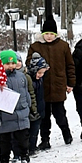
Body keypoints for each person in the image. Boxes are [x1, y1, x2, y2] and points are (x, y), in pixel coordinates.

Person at [25, 16, 75, 150]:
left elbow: (70, 65)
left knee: (60, 114)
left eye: (51, 34)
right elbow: (29, 64)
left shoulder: (63, 46)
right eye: (46, 34)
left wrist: (70, 83)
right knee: (43, 116)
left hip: (58, 85)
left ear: (55, 34)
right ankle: (45, 140)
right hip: (42, 87)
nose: (48, 37)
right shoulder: (35, 47)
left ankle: (66, 133)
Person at [0, 51, 32, 163]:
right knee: (5, 141)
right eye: (7, 63)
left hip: (21, 113)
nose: (10, 66)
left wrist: (28, 105)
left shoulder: (22, 77)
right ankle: (4, 160)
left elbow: (26, 92)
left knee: (23, 138)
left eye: (13, 63)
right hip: (5, 115)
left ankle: (24, 156)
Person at [25, 53, 49, 152]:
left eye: (43, 73)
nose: (41, 75)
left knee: (36, 129)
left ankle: (33, 147)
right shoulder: (30, 80)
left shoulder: (39, 79)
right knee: (30, 130)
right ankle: (29, 147)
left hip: (39, 108)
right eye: (39, 73)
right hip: (32, 109)